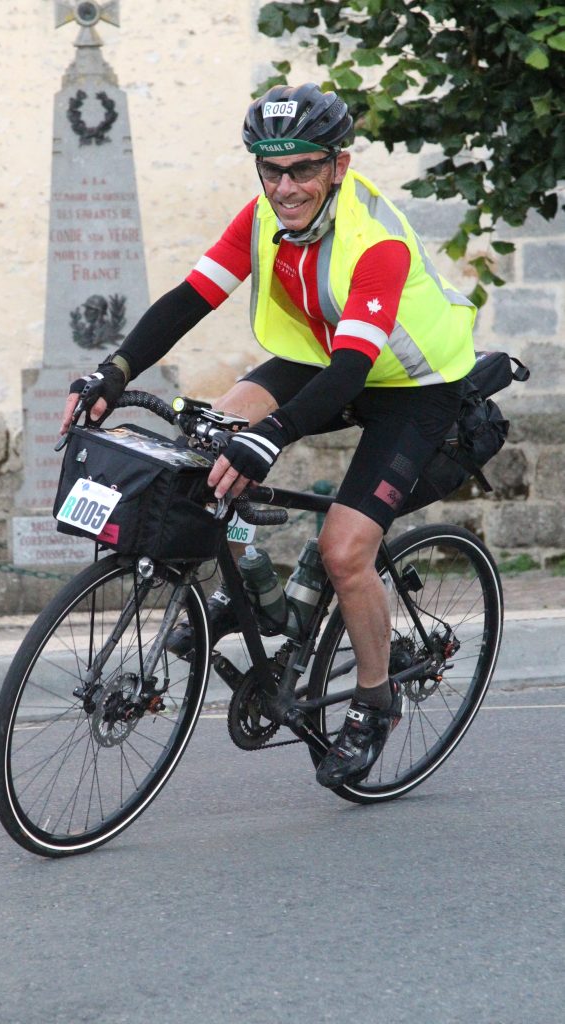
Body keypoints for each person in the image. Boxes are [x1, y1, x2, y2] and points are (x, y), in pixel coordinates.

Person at [59, 83, 477, 789]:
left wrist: (274, 433)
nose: (285, 187)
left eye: (303, 169)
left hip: (409, 385)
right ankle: (242, 589)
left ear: (338, 164)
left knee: (345, 551)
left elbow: (353, 369)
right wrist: (113, 371)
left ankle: (374, 703)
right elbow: (191, 297)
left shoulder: (374, 241)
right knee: (211, 436)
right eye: (270, 169)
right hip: (321, 355)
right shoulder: (260, 217)